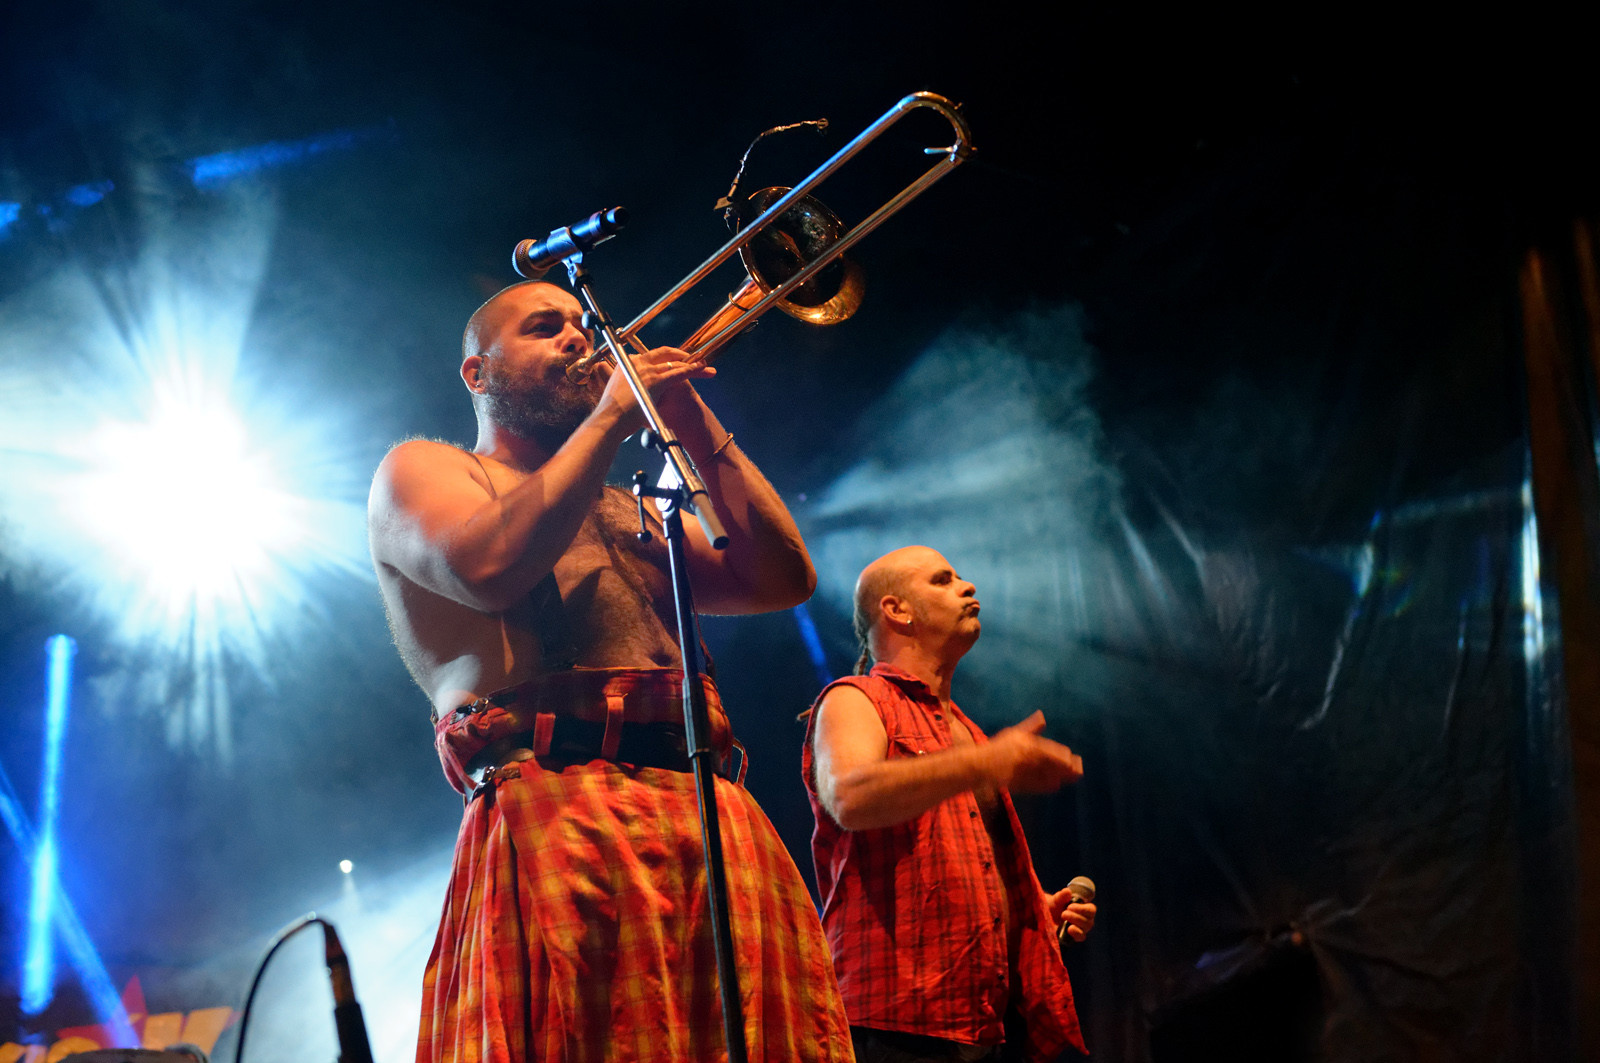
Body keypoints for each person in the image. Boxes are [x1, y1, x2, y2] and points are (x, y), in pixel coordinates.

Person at [367, 279, 853, 1062]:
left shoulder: (630, 508)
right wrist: (615, 414)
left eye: (581, 323)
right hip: (558, 801)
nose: (577, 339)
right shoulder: (424, 468)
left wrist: (689, 418)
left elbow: (781, 578)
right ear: (478, 372)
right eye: (543, 327)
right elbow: (490, 566)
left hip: (706, 807)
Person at [802, 546, 1096, 1062]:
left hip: (983, 1025)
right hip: (895, 1022)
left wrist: (1026, 914)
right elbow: (850, 796)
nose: (968, 586)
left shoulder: (968, 732)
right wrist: (987, 763)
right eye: (943, 579)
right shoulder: (853, 698)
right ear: (897, 610)